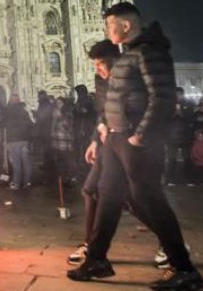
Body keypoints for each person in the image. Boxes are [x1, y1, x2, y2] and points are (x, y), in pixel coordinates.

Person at [68, 2, 203, 290]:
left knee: (148, 200)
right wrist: (104, 128)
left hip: (135, 141)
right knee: (107, 196)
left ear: (126, 25)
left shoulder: (150, 52)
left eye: (109, 24)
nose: (107, 30)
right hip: (116, 138)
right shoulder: (129, 54)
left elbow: (163, 98)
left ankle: (184, 268)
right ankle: (97, 259)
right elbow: (116, 100)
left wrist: (141, 135)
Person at [68, 39, 120, 265]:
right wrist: (94, 140)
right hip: (106, 143)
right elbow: (102, 112)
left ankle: (169, 245)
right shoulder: (101, 79)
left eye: (101, 64)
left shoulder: (130, 77)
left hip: (128, 145)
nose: (97, 69)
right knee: (89, 190)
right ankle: (91, 246)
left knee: (139, 200)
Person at [165, 88, 195, 186]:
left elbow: (191, 119)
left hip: (186, 137)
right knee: (171, 159)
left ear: (182, 95)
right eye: (176, 94)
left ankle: (189, 180)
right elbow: (164, 119)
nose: (178, 96)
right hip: (171, 137)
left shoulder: (189, 104)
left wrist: (181, 113)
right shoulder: (169, 105)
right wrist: (174, 113)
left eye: (179, 94)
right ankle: (169, 180)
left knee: (187, 159)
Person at [4, 94, 34, 190]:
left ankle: (16, 183)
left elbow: (4, 123)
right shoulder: (24, 111)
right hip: (24, 140)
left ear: (11, 101)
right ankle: (27, 182)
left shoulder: (8, 111)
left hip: (14, 140)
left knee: (16, 163)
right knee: (26, 162)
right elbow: (30, 124)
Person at [51, 97, 75, 186]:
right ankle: (62, 177)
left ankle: (71, 177)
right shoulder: (54, 114)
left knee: (68, 160)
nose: (58, 105)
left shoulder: (68, 113)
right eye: (57, 103)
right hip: (57, 142)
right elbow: (52, 128)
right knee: (60, 161)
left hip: (66, 141)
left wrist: (60, 117)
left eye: (60, 103)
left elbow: (68, 127)